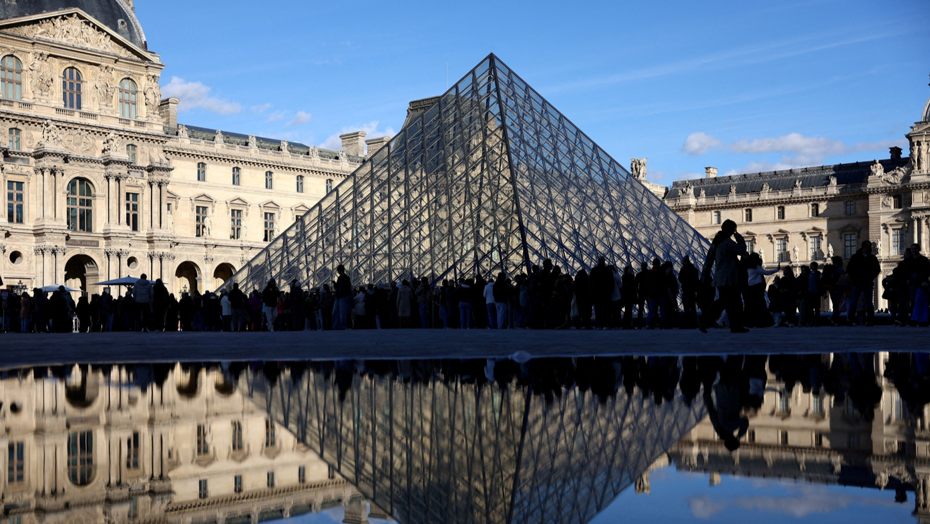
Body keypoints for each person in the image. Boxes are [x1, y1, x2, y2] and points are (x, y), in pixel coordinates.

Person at [702, 219, 749, 333]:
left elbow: (708, 261)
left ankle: (736, 326)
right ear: (731, 230)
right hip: (728, 278)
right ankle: (705, 321)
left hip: (719, 278)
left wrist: (705, 276)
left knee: (732, 303)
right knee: (727, 302)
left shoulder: (716, 242)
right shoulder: (727, 242)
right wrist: (739, 237)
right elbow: (741, 250)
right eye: (733, 229)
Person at [845, 240, 880, 326]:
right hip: (858, 283)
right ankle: (850, 320)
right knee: (854, 303)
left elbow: (877, 270)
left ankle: (869, 320)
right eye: (869, 246)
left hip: (866, 282)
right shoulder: (856, 257)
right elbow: (849, 269)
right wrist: (856, 278)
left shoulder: (872, 258)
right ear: (864, 247)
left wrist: (870, 277)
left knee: (868, 303)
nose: (870, 248)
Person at [745, 253, 778, 327]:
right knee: (762, 305)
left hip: (750, 287)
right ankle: (768, 322)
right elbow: (767, 272)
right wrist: (777, 269)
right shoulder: (756, 267)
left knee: (752, 306)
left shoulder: (749, 267)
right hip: (757, 287)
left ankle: (751, 322)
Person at [589, 256, 613, 329]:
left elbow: (590, 282)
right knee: (607, 309)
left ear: (598, 261)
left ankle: (599, 324)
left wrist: (592, 291)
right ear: (604, 261)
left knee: (598, 309)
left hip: (597, 293)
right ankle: (607, 324)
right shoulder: (608, 270)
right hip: (606, 293)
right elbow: (611, 282)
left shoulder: (594, 270)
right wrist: (611, 291)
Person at [678, 256, 700, 329]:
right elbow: (697, 281)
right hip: (692, 291)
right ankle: (693, 323)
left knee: (686, 308)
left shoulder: (683, 270)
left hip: (686, 290)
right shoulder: (695, 270)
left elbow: (680, 279)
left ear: (685, 261)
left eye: (682, 261)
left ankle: (687, 323)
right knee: (693, 308)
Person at [333, 265, 352, 330]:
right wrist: (335, 284)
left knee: (342, 312)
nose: (338, 272)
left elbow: (348, 288)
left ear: (340, 270)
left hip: (343, 297)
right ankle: (336, 325)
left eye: (338, 271)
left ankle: (342, 326)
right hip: (338, 297)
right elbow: (337, 287)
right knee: (335, 311)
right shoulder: (339, 278)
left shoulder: (347, 278)